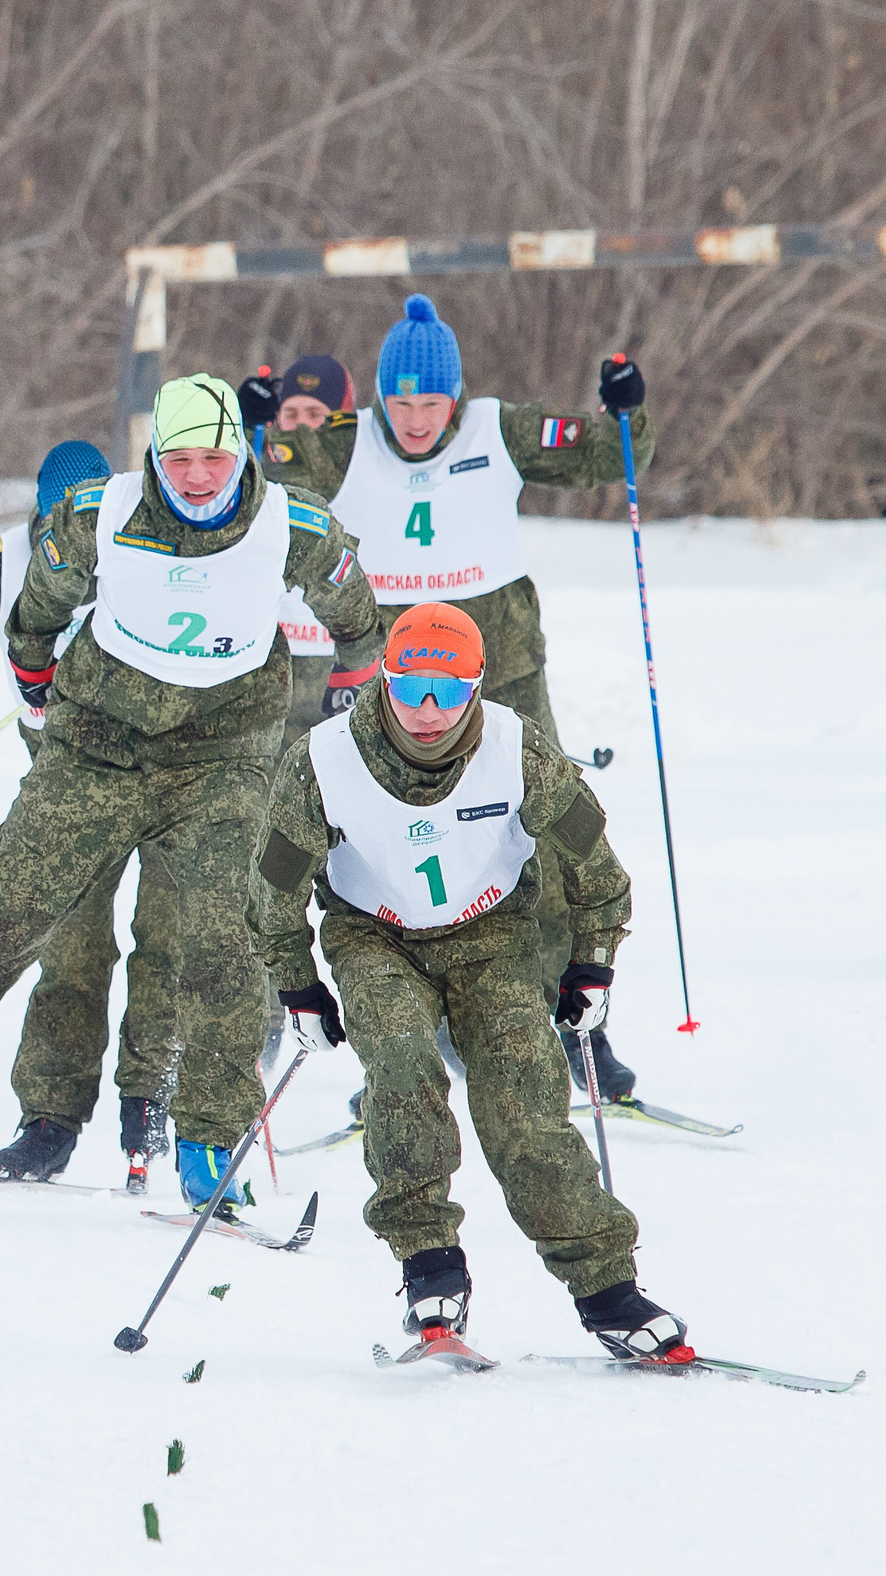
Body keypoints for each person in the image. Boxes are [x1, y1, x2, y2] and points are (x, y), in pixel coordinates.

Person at [0, 373, 377, 1211]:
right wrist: (34, 674)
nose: (198, 476)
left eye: (216, 458)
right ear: (155, 454)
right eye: (181, 457)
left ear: (242, 455)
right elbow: (36, 605)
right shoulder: (98, 514)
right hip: (94, 749)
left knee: (224, 941)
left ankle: (205, 1138)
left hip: (223, 758)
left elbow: (357, 612)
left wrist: (353, 684)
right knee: (0, 923)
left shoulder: (290, 523)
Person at [251, 602, 689, 1360]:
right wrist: (298, 986)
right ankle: (428, 1264)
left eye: (449, 692)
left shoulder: (519, 749)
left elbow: (597, 869)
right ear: (382, 678)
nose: (427, 710)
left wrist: (591, 963)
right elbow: (273, 891)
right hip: (374, 934)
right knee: (401, 1061)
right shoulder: (322, 759)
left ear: (476, 686)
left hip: (490, 934)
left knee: (524, 1097)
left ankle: (607, 1289)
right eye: (410, 686)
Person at [263, 294, 659, 1102]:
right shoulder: (348, 443)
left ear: (456, 394)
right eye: (400, 402)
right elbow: (254, 476)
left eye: (431, 402)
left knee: (542, 837)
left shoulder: (496, 428)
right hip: (398, 679)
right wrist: (254, 423)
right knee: (392, 837)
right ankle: (404, 1035)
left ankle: (577, 1022)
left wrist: (626, 410)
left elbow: (603, 455)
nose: (415, 419)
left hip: (502, 666)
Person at [0, 439, 187, 1185]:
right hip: (66, 777)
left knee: (172, 934)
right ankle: (50, 1113)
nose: (72, 520)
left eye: (86, 505)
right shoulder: (12, 558)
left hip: (174, 765)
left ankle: (151, 1098)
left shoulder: (149, 538)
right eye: (59, 509)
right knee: (72, 944)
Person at [237, 353, 364, 742]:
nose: (303, 429)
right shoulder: (264, 470)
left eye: (316, 414)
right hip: (276, 666)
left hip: (347, 667)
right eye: (292, 415)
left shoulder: (366, 462)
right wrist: (242, 426)